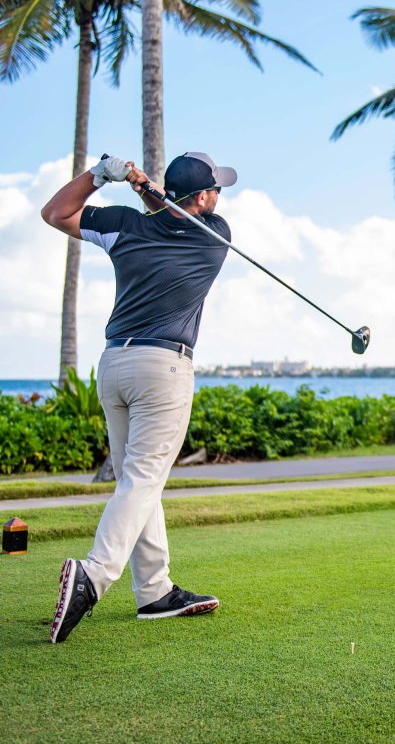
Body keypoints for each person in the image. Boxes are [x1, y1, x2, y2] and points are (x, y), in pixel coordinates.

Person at [41, 151, 237, 644]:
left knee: (138, 480)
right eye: (216, 188)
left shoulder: (125, 225)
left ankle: (154, 591)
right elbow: (174, 212)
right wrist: (143, 187)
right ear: (205, 197)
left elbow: (55, 214)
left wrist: (101, 176)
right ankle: (94, 575)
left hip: (114, 365)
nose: (220, 197)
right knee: (144, 478)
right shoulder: (214, 236)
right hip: (164, 368)